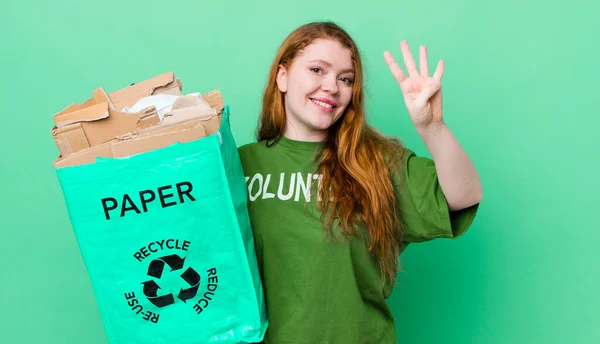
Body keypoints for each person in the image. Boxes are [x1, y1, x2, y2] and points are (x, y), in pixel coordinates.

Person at [238, 21, 482, 344]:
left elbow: (464, 195)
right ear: (282, 77)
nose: (331, 87)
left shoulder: (374, 163)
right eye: (317, 70)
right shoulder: (239, 167)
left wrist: (432, 127)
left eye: (345, 79)